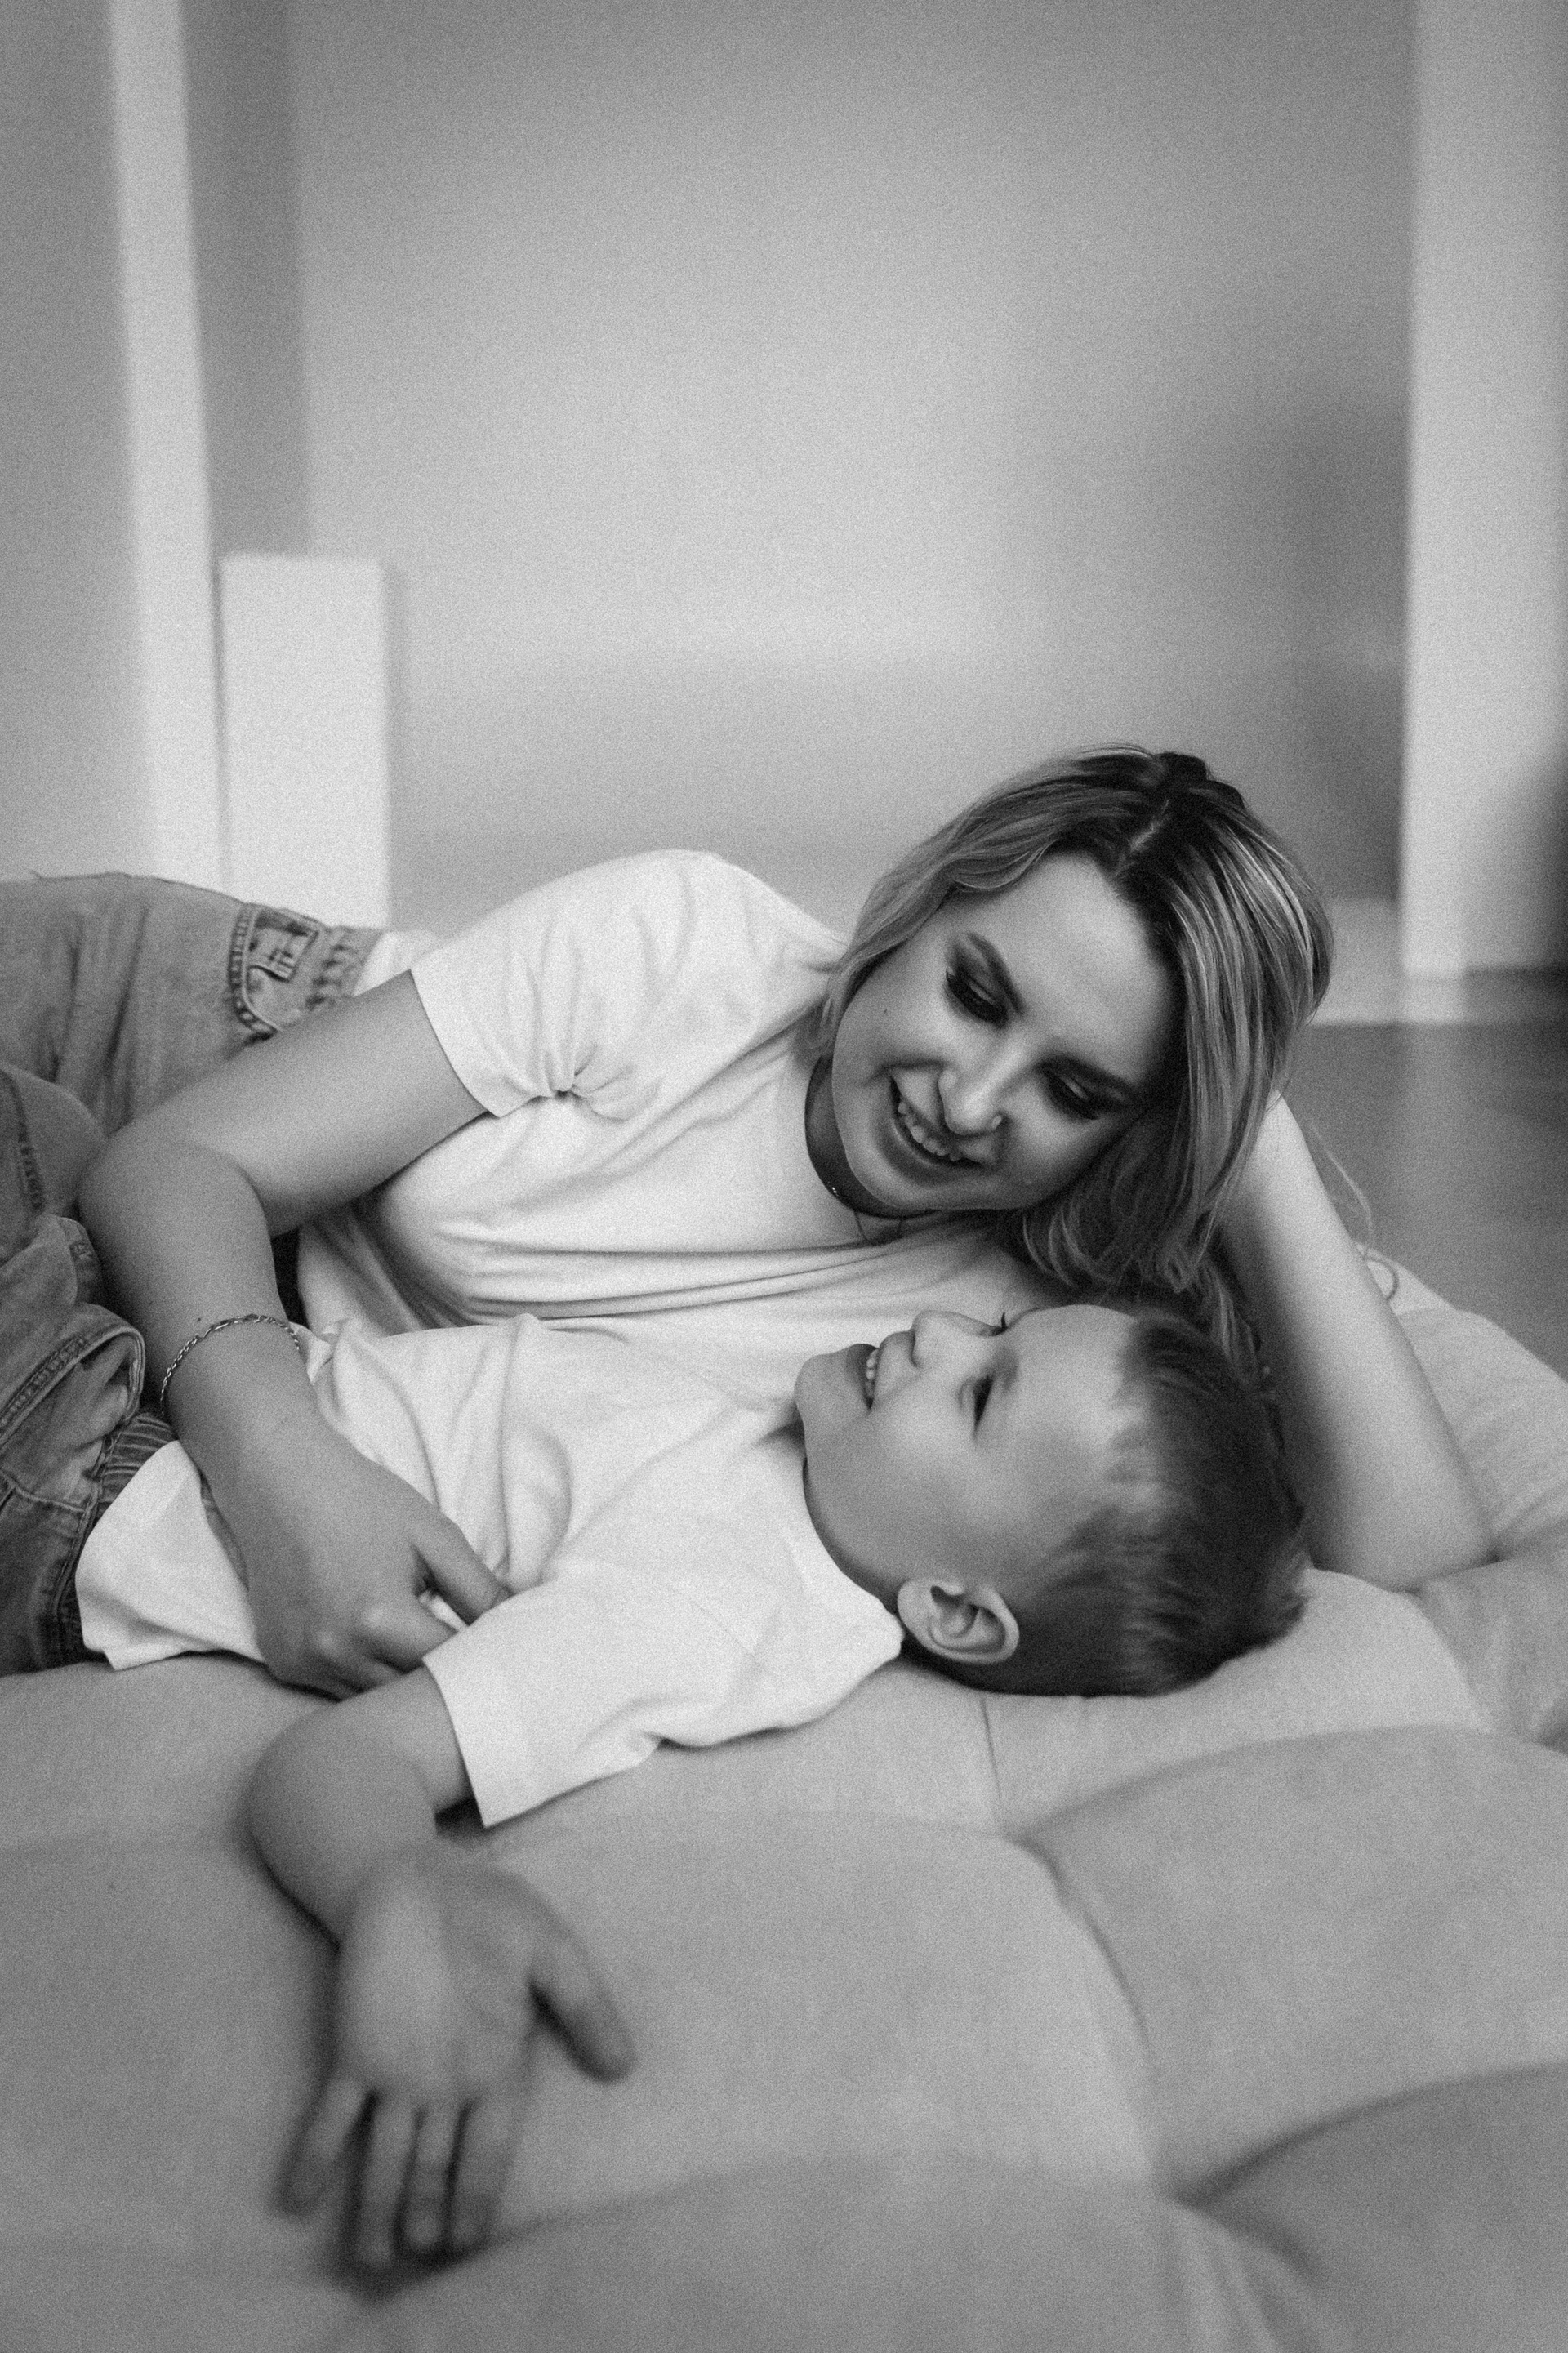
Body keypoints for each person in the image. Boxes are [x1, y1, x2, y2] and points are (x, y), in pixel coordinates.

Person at [234, 1090, 1485, 2269]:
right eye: (995, 1333)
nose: (942, 1331)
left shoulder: (704, 1602)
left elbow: (344, 1762)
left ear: (955, 1610)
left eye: (980, 1393)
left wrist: (402, 1887)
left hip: (134, 1460)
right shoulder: (807, 1483)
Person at [69, 747, 1334, 1696]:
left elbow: (1404, 1541)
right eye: (975, 993)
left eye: (1076, 1090)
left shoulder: (1015, 1334)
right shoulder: (681, 948)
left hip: (183, 1341)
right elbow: (176, 1164)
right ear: (922, 909)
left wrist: (1254, 1136)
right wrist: (286, 1474)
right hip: (196, 1041)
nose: (969, 1102)